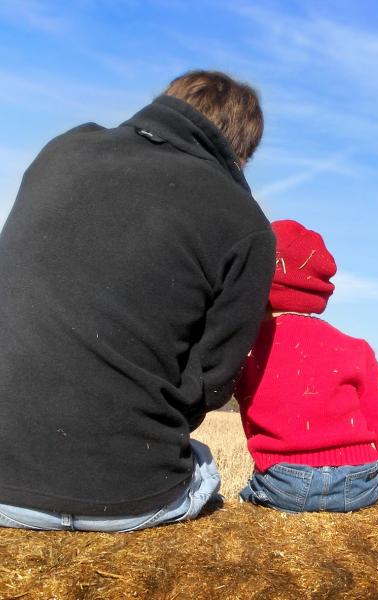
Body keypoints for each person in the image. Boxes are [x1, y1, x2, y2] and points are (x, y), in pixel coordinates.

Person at [0, 71, 275, 531]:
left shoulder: (62, 150)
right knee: (204, 466)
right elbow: (210, 381)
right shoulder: (246, 224)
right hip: (128, 498)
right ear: (241, 152)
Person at [235, 220, 378, 513]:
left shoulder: (249, 348)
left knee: (240, 499)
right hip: (362, 482)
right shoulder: (354, 348)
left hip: (288, 482)